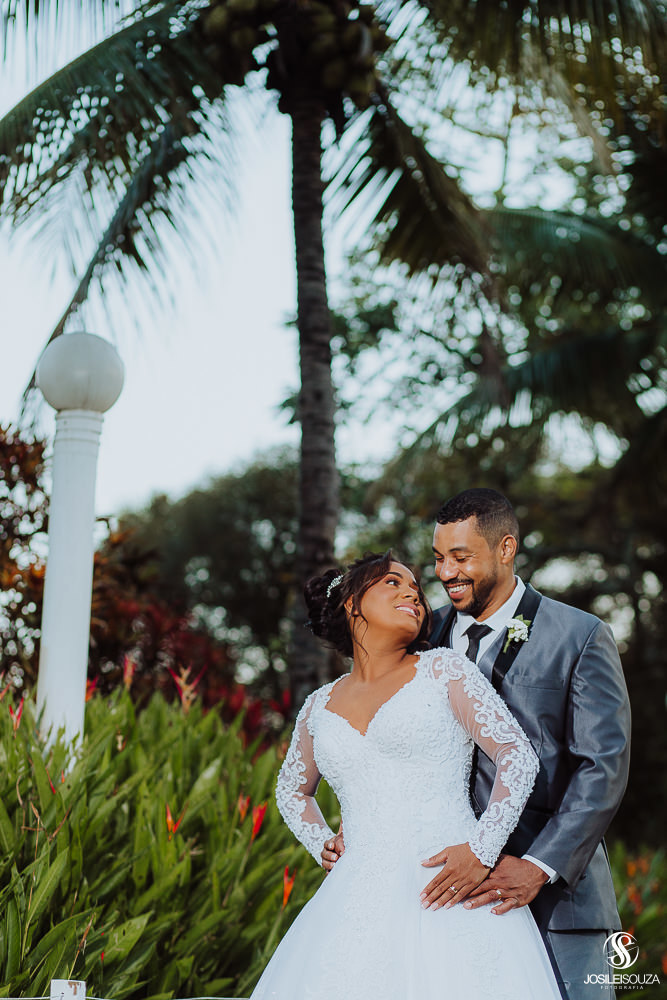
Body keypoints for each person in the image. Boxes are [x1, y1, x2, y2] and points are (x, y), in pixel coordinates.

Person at [324, 489, 631, 1000]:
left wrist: (537, 867)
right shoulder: (421, 635)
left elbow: (603, 766)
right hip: (444, 901)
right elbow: (388, 737)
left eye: (461, 558)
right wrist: (358, 821)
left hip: (557, 903)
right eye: (439, 558)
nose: (445, 573)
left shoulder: (579, 635)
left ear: (506, 549)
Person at [250, 551, 562, 999]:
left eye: (415, 587)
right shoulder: (319, 705)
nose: (412, 592)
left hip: (448, 886)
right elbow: (291, 790)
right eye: (392, 583)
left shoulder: (444, 670)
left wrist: (481, 848)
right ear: (351, 605)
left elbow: (516, 754)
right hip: (354, 898)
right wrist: (321, 843)